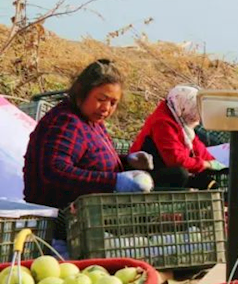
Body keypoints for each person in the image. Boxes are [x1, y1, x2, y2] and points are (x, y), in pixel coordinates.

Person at [22, 59, 153, 235]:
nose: (106, 108)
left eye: (113, 103)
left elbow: (90, 160)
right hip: (63, 223)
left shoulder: (93, 122)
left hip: (91, 217)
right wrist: (114, 181)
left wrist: (128, 162)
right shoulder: (65, 122)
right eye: (101, 99)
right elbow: (55, 172)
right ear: (81, 92)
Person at [130, 85, 224, 189]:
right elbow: (175, 160)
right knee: (180, 173)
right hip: (145, 174)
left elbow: (197, 147)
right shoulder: (162, 123)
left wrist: (217, 161)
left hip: (163, 169)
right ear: (183, 107)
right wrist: (205, 164)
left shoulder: (180, 121)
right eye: (193, 111)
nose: (196, 117)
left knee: (208, 181)